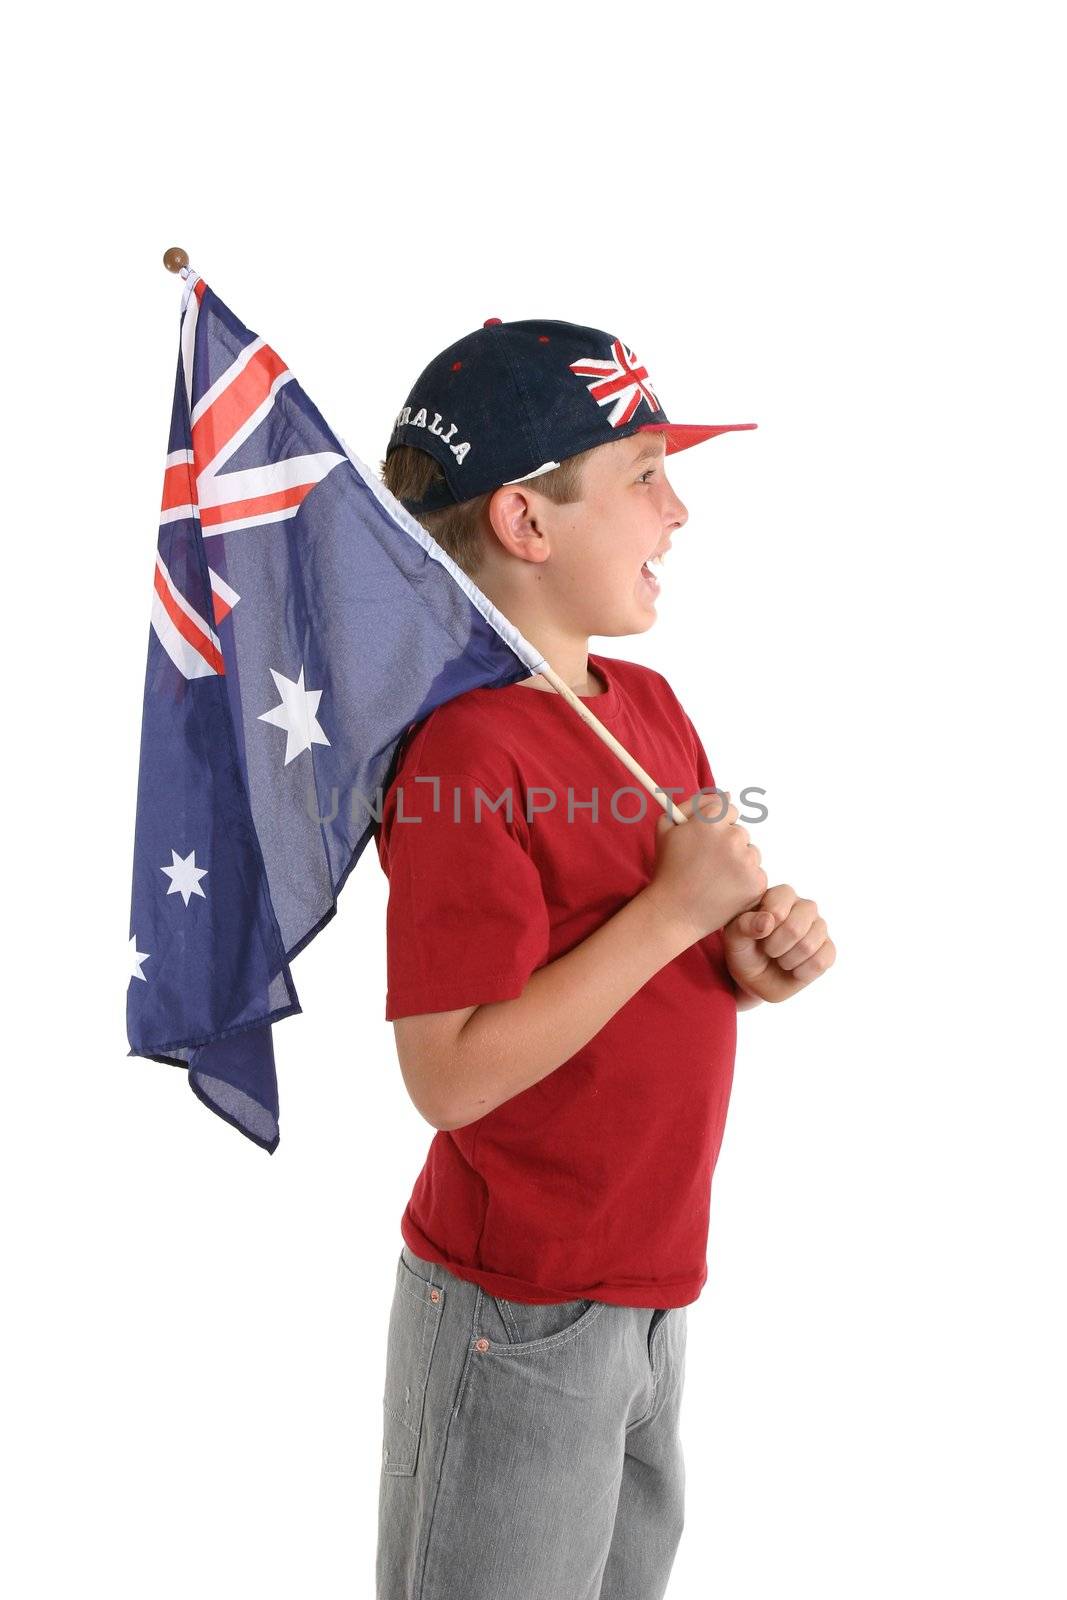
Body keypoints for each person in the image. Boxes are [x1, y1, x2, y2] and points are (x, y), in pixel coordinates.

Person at [371, 316, 836, 1599]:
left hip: (647, 1290)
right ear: (526, 521)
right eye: (642, 474)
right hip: (513, 1317)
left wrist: (753, 954)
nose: (676, 511)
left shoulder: (651, 710)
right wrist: (675, 917)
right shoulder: (466, 756)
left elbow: (683, 948)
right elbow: (448, 1075)